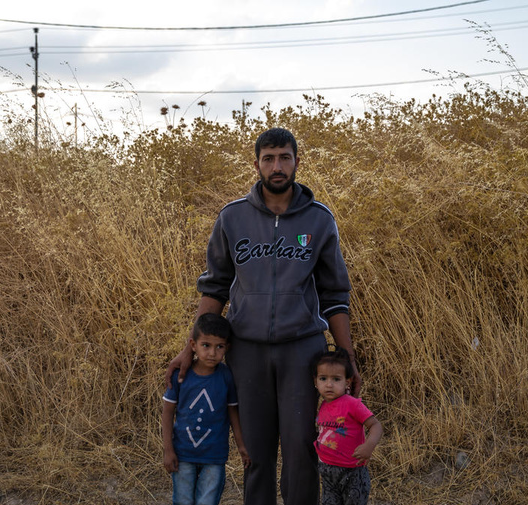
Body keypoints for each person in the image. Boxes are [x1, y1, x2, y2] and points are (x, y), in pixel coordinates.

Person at [165, 127, 361, 505]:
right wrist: (190, 347)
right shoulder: (233, 217)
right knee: (254, 452)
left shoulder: (319, 220)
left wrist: (346, 355)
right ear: (256, 164)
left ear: (296, 162)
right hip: (247, 350)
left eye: (284, 157)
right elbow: (215, 288)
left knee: (302, 448)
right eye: (268, 158)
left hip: (302, 350)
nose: (277, 166)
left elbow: (335, 295)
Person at [162, 313, 250, 505]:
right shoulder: (181, 375)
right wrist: (168, 450)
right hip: (183, 454)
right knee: (183, 500)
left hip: (214, 455)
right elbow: (167, 413)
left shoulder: (226, 377)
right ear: (193, 345)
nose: (212, 353)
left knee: (208, 501)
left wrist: (241, 445)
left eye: (219, 347)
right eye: (206, 346)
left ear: (227, 348)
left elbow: (233, 413)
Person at [312, 347, 382, 505]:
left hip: (352, 471)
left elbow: (376, 425)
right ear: (315, 381)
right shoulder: (322, 404)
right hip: (327, 470)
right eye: (323, 379)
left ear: (347, 382)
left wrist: (369, 445)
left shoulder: (352, 405)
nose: (329, 385)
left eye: (336, 379)